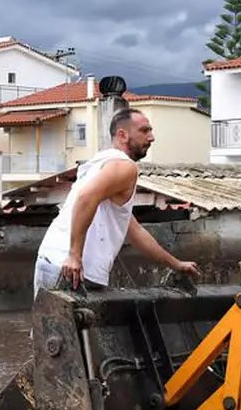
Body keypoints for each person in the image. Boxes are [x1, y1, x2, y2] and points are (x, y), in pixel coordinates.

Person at [34, 106, 200, 298]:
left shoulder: (100, 163)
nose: (152, 137)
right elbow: (86, 198)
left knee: (44, 327)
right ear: (122, 135)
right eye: (144, 131)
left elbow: (135, 231)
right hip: (70, 270)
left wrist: (176, 264)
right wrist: (74, 255)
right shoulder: (124, 167)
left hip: (51, 261)